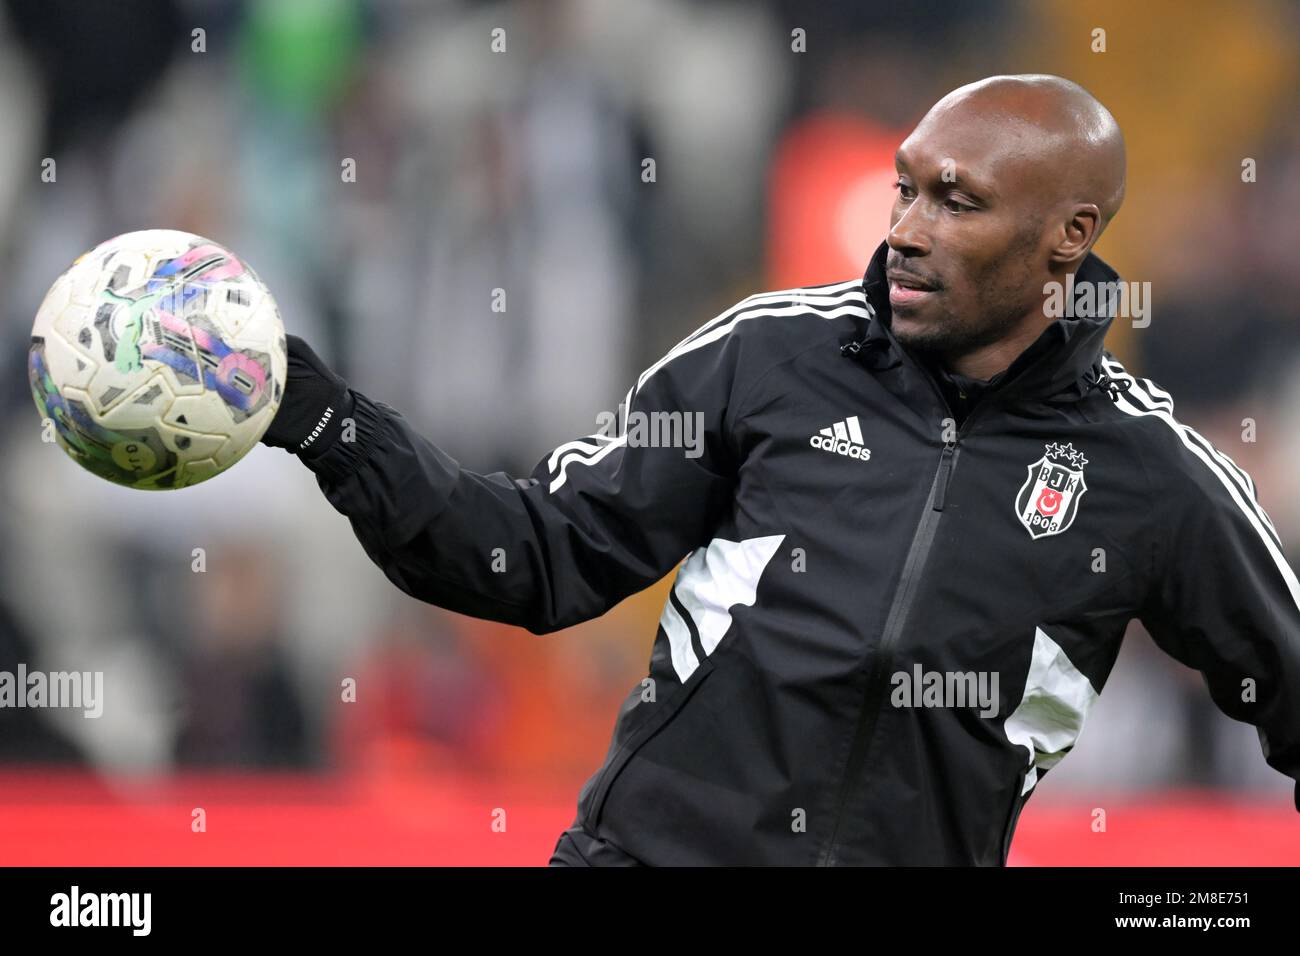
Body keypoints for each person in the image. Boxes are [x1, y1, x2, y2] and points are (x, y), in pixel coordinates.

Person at [261, 75, 1300, 865]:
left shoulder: (1150, 475)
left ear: (1067, 238)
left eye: (956, 202)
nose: (904, 231)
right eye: (904, 190)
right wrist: (327, 420)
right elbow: (531, 555)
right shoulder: (766, 359)